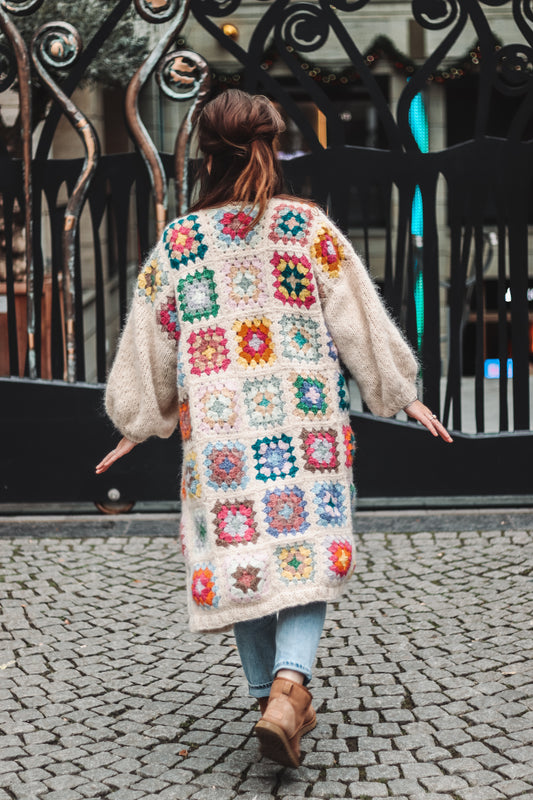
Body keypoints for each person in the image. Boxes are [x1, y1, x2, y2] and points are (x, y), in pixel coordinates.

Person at [96, 89, 452, 769]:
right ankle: (290, 689)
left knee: (244, 557)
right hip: (304, 430)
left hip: (223, 440)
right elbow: (359, 320)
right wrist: (397, 393)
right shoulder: (305, 230)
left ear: (204, 155)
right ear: (271, 145)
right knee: (307, 554)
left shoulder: (181, 244)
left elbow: (151, 341)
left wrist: (136, 423)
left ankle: (269, 697)